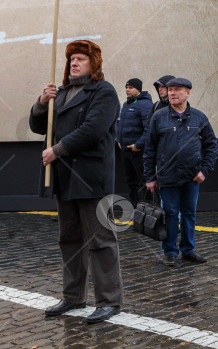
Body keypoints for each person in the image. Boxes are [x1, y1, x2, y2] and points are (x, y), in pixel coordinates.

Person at [29, 40, 124, 324]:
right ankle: (73, 296)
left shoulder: (104, 91)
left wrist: (57, 150)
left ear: (93, 63)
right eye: (71, 59)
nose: (74, 63)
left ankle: (109, 300)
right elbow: (38, 126)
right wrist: (42, 102)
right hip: (65, 178)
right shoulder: (61, 93)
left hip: (93, 178)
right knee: (69, 240)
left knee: (101, 240)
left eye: (80, 58)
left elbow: (92, 130)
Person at [144, 78, 218, 266]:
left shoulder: (199, 117)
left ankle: (188, 250)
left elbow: (211, 145)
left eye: (177, 90)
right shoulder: (158, 117)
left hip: (191, 177)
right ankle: (170, 251)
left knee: (189, 213)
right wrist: (150, 177)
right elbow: (149, 149)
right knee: (170, 214)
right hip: (167, 177)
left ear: (188, 93)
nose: (171, 93)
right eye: (170, 90)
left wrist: (205, 170)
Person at [115, 78, 152, 206]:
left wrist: (138, 145)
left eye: (130, 87)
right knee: (131, 181)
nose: (127, 90)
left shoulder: (145, 104)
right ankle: (135, 208)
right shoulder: (127, 104)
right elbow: (119, 123)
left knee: (143, 181)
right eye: (126, 87)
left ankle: (146, 209)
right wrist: (118, 139)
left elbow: (149, 129)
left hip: (138, 152)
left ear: (138, 89)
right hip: (125, 151)